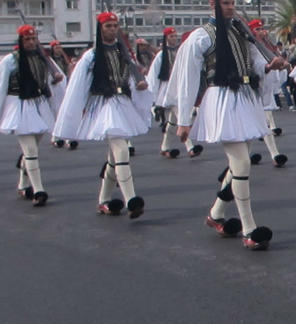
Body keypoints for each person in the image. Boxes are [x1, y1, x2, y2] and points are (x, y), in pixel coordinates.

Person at [166, 0, 288, 250]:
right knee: (242, 164)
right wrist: (184, 119)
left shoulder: (242, 33)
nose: (231, 7)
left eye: (233, 3)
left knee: (238, 166)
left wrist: (269, 66)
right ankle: (249, 228)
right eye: (225, 3)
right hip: (222, 99)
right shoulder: (202, 36)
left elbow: (254, 64)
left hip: (245, 99)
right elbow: (187, 80)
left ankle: (216, 213)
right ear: (213, 5)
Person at [54, 12, 152, 218]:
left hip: (122, 103)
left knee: (114, 157)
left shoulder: (123, 53)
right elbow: (77, 86)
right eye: (108, 26)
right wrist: (71, 116)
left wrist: (139, 86)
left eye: (115, 25)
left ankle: (104, 199)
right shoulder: (91, 56)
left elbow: (128, 78)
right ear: (100, 28)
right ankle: (131, 200)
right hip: (104, 105)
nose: (112, 29)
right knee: (121, 150)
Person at [1, 25, 66, 206]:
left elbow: (48, 81)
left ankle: (23, 184)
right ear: (20, 41)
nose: (31, 42)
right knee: (30, 151)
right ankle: (39, 190)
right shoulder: (10, 61)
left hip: (39, 105)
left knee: (31, 150)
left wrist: (55, 80)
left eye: (33, 39)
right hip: (20, 106)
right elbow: (1, 87)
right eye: (27, 39)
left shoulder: (42, 58)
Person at [148, 26, 203, 159]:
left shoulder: (181, 51)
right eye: (171, 36)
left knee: (173, 122)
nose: (174, 38)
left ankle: (165, 147)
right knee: (182, 117)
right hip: (168, 89)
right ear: (166, 38)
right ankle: (190, 147)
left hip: (179, 87)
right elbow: (153, 75)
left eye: (175, 36)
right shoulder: (161, 55)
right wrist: (153, 98)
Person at [247, 20, 288, 167]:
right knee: (262, 122)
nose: (262, 31)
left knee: (258, 123)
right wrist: (270, 66)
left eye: (263, 28)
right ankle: (274, 155)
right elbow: (256, 66)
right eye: (258, 29)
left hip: (263, 88)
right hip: (252, 89)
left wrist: (280, 66)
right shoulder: (250, 46)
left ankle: (245, 157)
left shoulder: (266, 47)